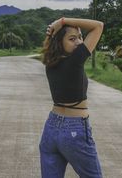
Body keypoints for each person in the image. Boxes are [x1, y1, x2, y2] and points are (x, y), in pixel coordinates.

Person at [39, 17, 104, 178]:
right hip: (74, 129)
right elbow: (98, 26)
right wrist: (62, 21)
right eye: (72, 38)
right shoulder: (75, 61)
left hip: (51, 129)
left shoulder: (50, 64)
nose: (79, 42)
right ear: (59, 42)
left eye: (80, 37)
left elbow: (52, 41)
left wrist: (53, 31)